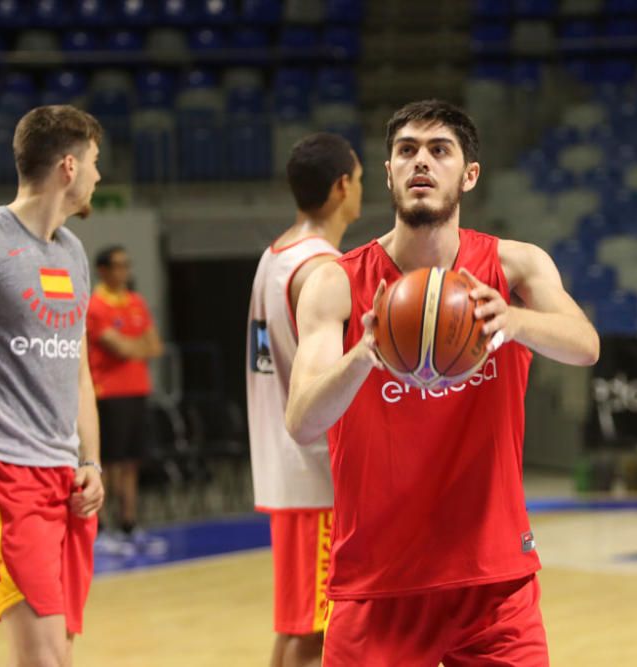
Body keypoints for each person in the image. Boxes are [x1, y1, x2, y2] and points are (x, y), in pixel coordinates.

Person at [284, 100, 599, 666]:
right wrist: (366, 353)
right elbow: (302, 421)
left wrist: (513, 321)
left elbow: (586, 345)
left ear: (469, 174)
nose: (420, 162)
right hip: (378, 582)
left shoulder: (516, 267)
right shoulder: (334, 283)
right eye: (406, 151)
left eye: (439, 150)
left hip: (494, 581)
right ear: (388, 172)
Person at [0, 105, 105, 666]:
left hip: (66, 478)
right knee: (42, 657)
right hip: (4, 470)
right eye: (96, 162)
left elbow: (77, 368)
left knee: (60, 653)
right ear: (68, 167)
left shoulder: (72, 252)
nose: (101, 175)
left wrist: (91, 461)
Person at [246, 133, 362, 667]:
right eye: (360, 180)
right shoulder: (324, 269)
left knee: (299, 628)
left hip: (284, 461)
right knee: (314, 634)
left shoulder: (276, 254)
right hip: (313, 471)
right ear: (342, 186)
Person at [86, 245, 163, 551]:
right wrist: (134, 346)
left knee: (131, 463)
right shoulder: (95, 306)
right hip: (108, 394)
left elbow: (154, 346)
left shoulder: (136, 302)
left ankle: (129, 524)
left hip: (137, 391)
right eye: (117, 265)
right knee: (108, 463)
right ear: (103, 270)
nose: (123, 271)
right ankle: (101, 528)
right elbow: (120, 348)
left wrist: (134, 347)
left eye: (126, 265)